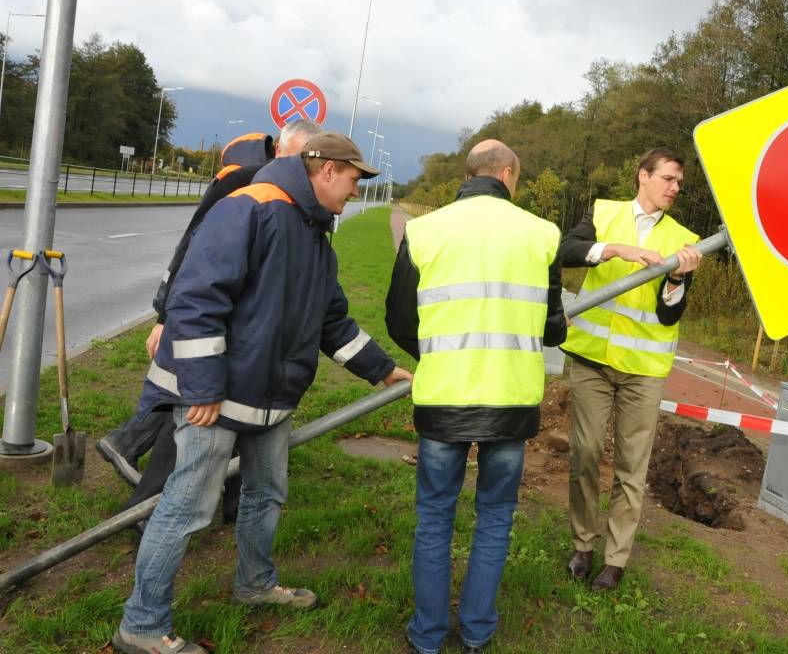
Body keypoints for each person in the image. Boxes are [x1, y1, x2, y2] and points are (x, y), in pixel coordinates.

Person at [112, 131, 412, 654]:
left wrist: (384, 371)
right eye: (352, 180)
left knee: (266, 494)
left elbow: (331, 321)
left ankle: (254, 583)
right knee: (186, 508)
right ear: (324, 170)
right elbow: (196, 300)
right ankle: (141, 623)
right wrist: (202, 389)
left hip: (272, 398)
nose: (354, 192)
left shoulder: (315, 234)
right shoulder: (251, 207)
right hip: (219, 400)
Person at [385, 139, 566, 654]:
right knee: (495, 516)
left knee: (435, 516)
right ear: (507, 173)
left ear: (470, 174)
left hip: (444, 399)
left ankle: (427, 635)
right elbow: (553, 331)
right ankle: (478, 633)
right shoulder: (542, 234)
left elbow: (399, 319)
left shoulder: (424, 231)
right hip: (512, 402)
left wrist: (441, 354)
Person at [96, 119, 323, 495]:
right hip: (211, 327)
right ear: (282, 150)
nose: (307, 167)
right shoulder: (246, 182)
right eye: (302, 157)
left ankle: (206, 496)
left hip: (244, 339)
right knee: (189, 414)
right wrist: (163, 316)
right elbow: (193, 247)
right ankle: (147, 503)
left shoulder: (296, 198)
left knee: (210, 415)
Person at [559, 148, 703, 591]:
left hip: (643, 370)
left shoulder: (685, 239)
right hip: (591, 361)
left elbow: (667, 317)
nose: (676, 188)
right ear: (644, 176)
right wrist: (613, 250)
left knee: (631, 467)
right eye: (669, 178)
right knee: (584, 455)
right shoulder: (603, 212)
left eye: (680, 182)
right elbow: (565, 251)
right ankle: (582, 544)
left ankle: (615, 559)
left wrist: (677, 280)